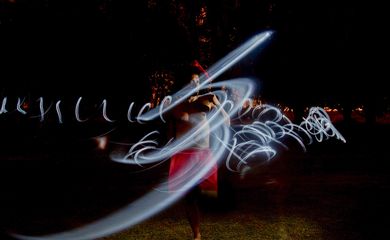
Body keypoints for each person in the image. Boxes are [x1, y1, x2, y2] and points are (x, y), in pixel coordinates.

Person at [168, 74, 230, 240]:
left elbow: (226, 121)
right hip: (185, 153)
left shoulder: (208, 98)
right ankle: (197, 234)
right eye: (192, 79)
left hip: (203, 152)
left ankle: (200, 222)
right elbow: (180, 117)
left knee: (208, 194)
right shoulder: (178, 100)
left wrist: (219, 107)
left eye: (197, 80)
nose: (195, 82)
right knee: (190, 197)